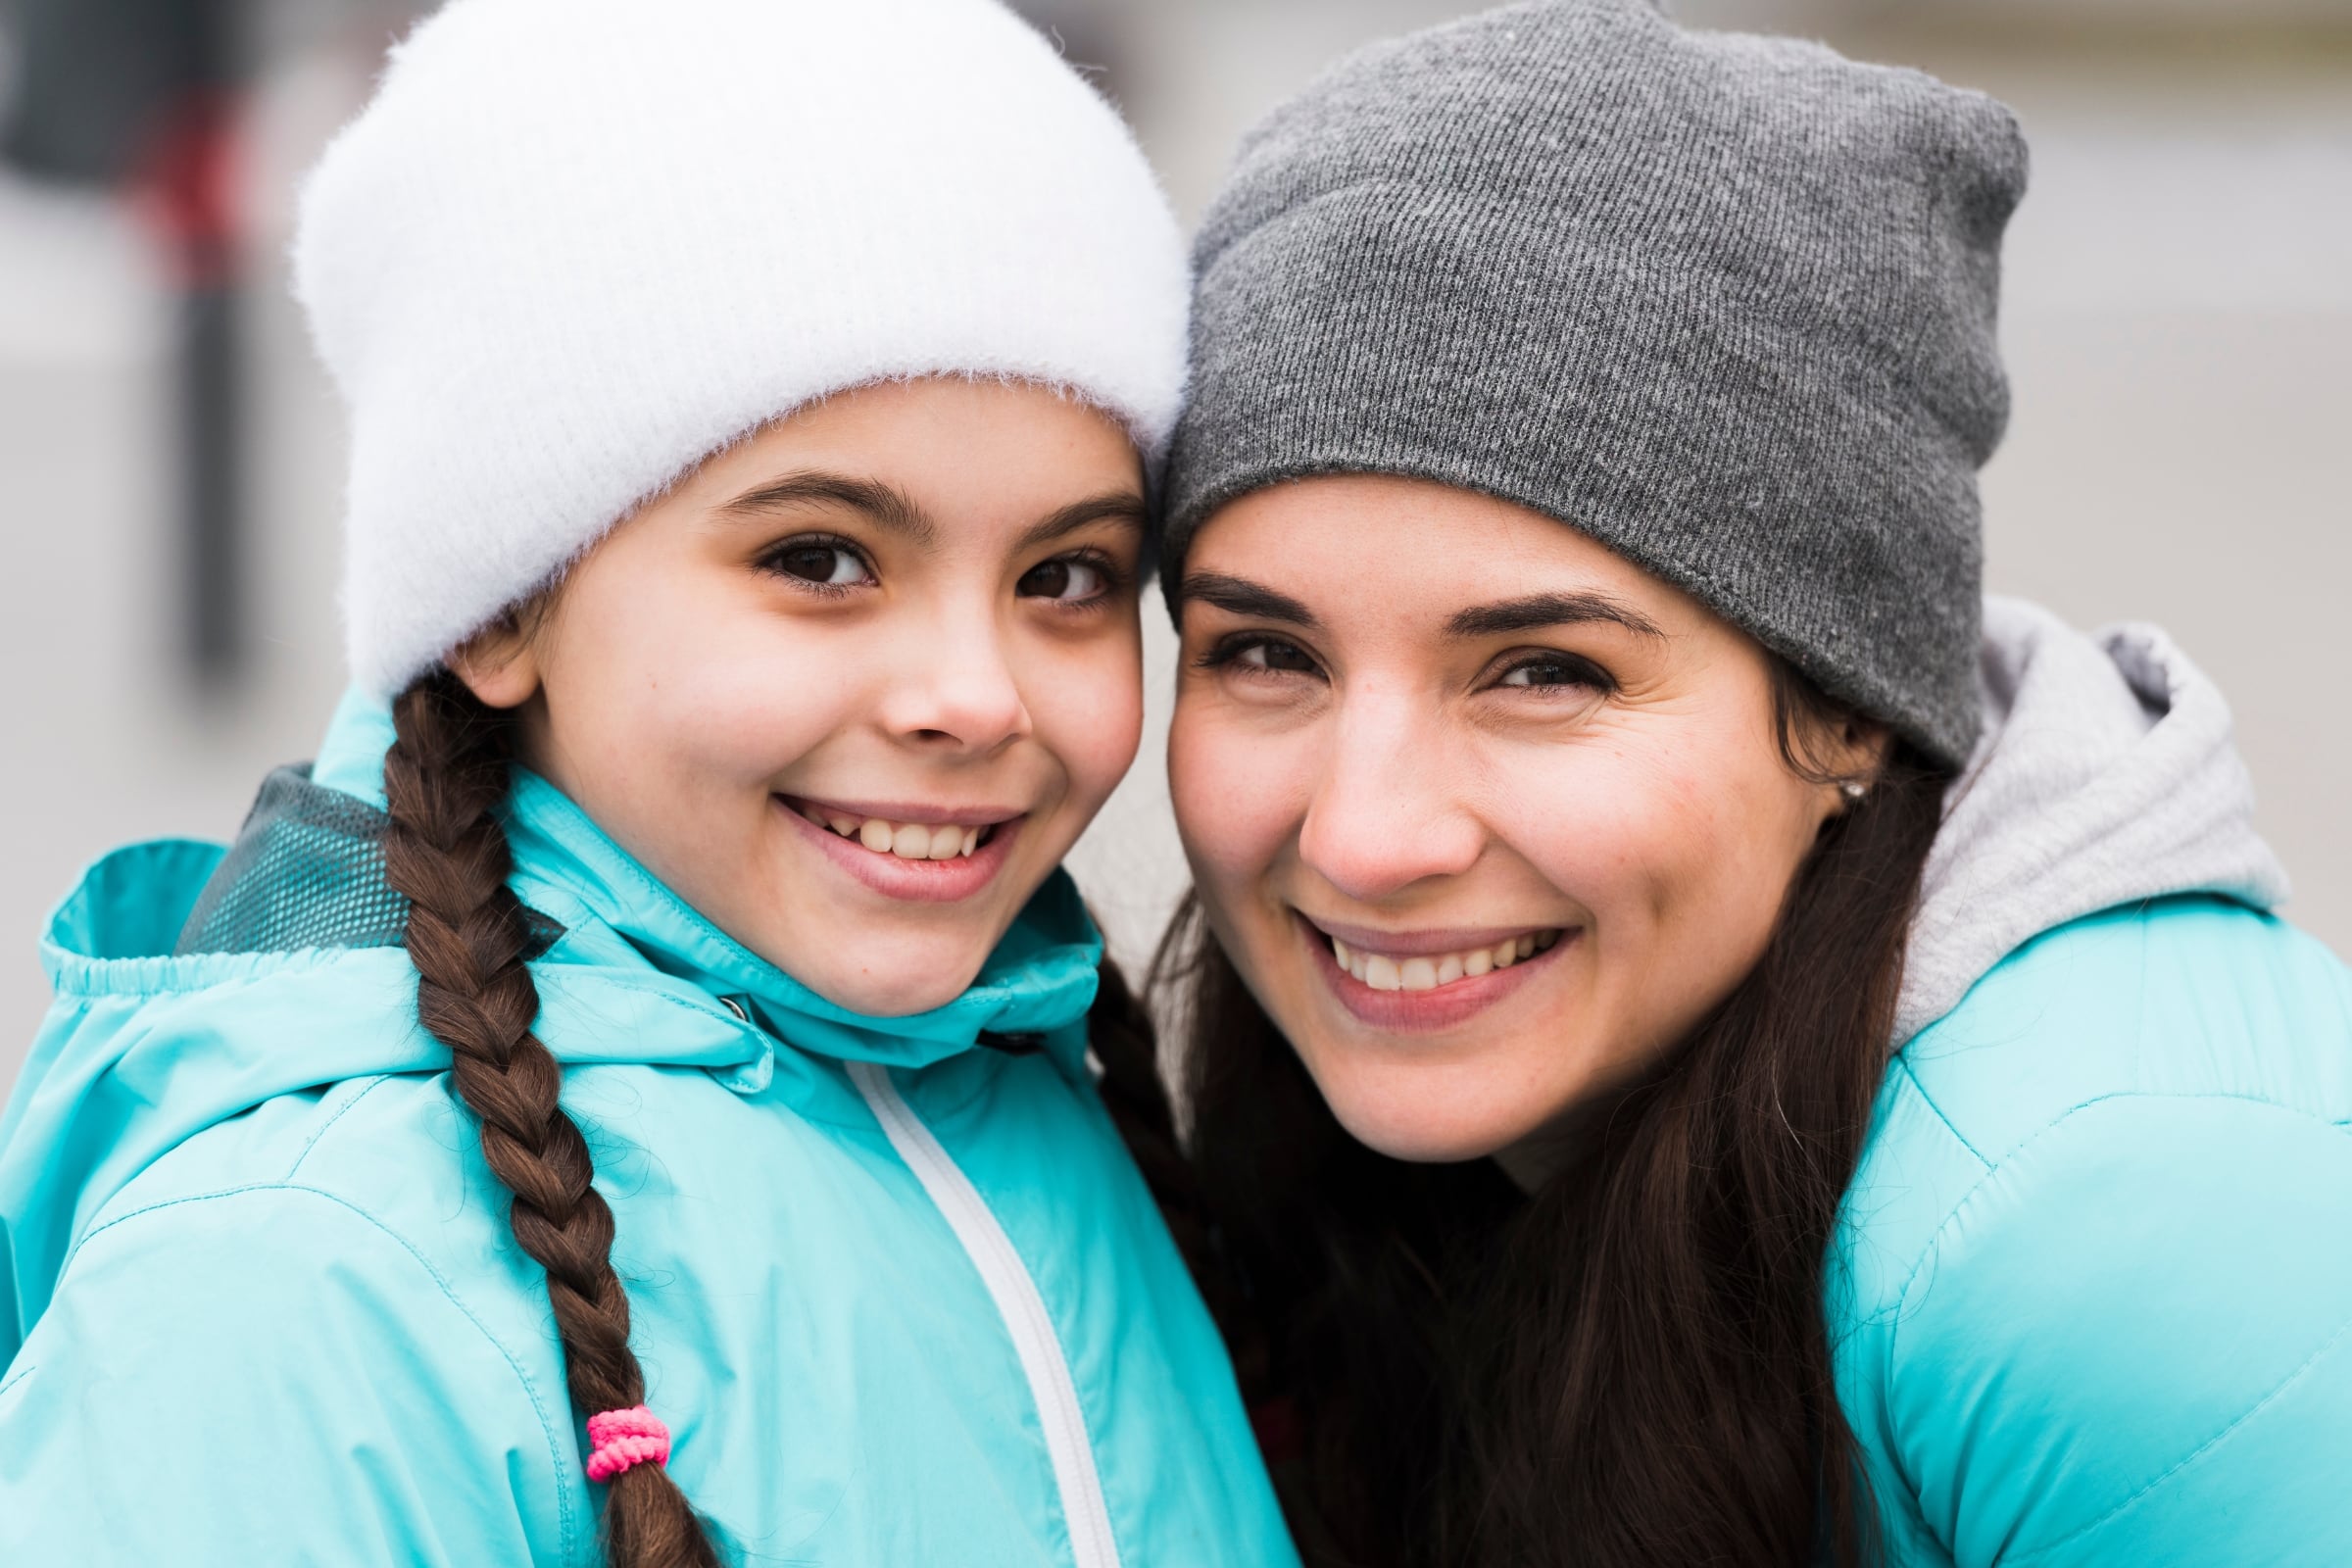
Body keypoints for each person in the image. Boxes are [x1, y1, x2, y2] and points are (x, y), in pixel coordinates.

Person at [0, 3, 1296, 1565]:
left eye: (1069, 572)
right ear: (498, 601)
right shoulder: (294, 1296)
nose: (976, 693)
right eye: (821, 559)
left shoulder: (1025, 1102)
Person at [1148, 3, 2352, 1565]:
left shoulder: (2109, 1238)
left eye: (1545, 673)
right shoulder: (1444, 1153)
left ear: (1851, 709)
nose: (1367, 836)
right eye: (1266, 655)